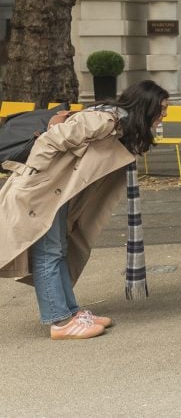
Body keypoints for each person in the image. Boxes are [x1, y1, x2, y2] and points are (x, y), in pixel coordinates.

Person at [0, 80, 169, 340]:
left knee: (59, 249)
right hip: (42, 192)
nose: (164, 114)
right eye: (162, 108)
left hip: (54, 192)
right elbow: (50, 140)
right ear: (146, 107)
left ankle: (71, 312)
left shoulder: (119, 126)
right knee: (49, 253)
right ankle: (60, 321)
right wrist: (37, 178)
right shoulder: (106, 121)